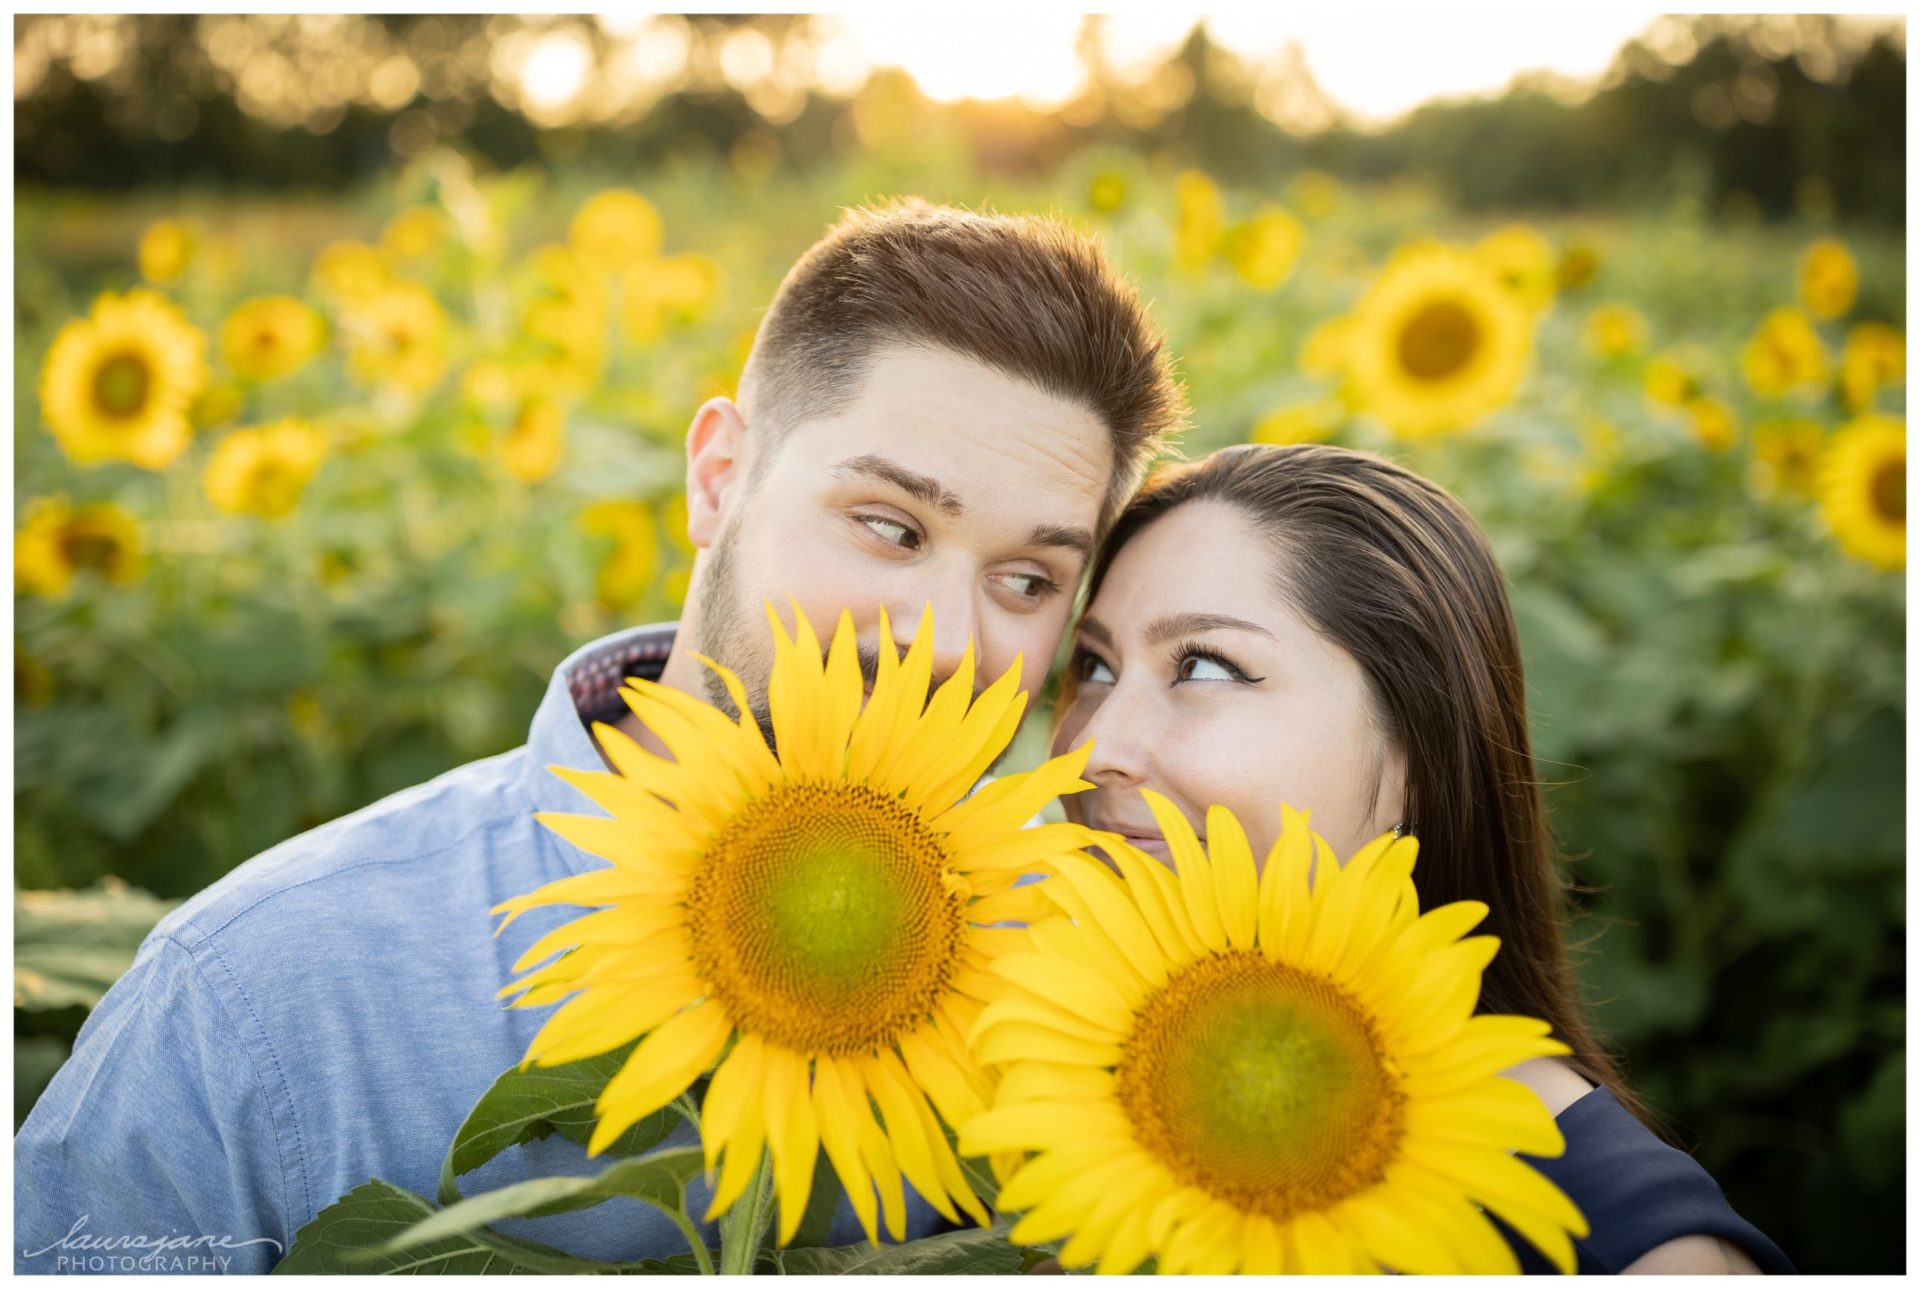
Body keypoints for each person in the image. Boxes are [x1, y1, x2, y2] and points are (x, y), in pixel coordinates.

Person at [13, 200, 1187, 1274]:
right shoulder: (270, 999)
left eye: (1030, 578)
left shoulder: (1091, 993)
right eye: (888, 526)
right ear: (719, 480)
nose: (941, 638)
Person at [1047, 442, 1794, 1275]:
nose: (1093, 744)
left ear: (1413, 757)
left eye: (1206, 665)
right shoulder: (1031, 1085)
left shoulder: (1641, 1254)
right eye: (1093, 666)